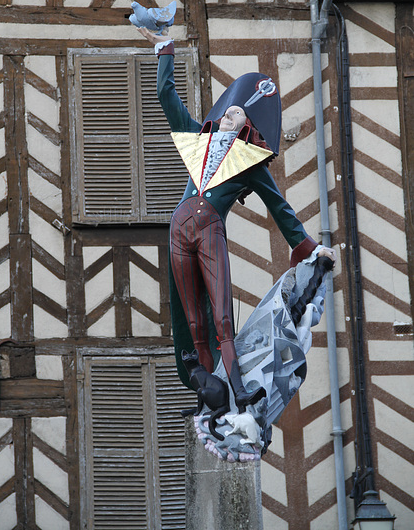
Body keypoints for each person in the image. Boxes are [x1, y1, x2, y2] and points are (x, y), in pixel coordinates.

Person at [139, 27, 336, 412]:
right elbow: (167, 97)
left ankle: (238, 390)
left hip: (210, 226)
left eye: (235, 113)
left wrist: (310, 248)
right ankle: (205, 396)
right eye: (226, 112)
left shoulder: (250, 163)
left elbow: (281, 209)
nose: (226, 115)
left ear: (243, 125)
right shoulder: (199, 139)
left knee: (220, 314)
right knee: (193, 318)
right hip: (180, 227)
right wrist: (164, 50)